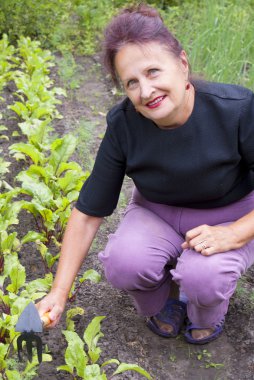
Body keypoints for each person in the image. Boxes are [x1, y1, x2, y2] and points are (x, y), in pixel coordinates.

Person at [37, 4, 254, 345]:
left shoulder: (237, 110)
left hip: (229, 215)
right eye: (132, 82)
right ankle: (165, 297)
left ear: (182, 64)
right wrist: (58, 293)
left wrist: (238, 232)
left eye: (153, 72)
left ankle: (206, 315)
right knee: (124, 261)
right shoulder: (124, 124)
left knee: (204, 276)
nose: (146, 91)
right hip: (159, 213)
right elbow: (88, 212)